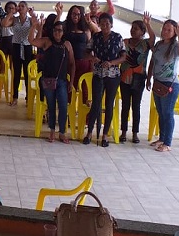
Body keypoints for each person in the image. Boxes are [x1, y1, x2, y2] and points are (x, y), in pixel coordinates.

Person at [29, 18, 75, 143]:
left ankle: (62, 132)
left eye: (60, 30)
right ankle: (52, 131)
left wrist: (71, 83)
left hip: (62, 81)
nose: (57, 33)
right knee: (51, 106)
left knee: (63, 106)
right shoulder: (47, 42)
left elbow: (72, 64)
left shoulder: (67, 45)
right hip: (48, 79)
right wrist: (33, 26)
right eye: (55, 30)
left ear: (63, 32)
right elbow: (31, 41)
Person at [82, 13, 125, 147]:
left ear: (111, 24)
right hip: (98, 74)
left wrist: (112, 62)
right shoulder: (96, 37)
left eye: (107, 23)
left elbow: (123, 56)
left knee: (109, 104)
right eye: (102, 23)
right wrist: (92, 58)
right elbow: (86, 53)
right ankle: (89, 133)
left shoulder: (118, 37)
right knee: (95, 104)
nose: (105, 26)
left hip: (113, 76)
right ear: (99, 24)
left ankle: (105, 134)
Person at [146, 20, 179, 152]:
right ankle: (162, 138)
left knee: (168, 113)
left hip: (170, 84)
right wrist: (149, 77)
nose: (165, 32)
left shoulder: (175, 45)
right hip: (158, 82)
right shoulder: (159, 44)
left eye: (169, 30)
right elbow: (153, 61)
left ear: (174, 32)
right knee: (161, 112)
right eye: (164, 29)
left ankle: (167, 142)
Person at [118, 13, 155, 144]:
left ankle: (135, 133)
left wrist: (148, 24)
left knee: (136, 106)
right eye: (132, 28)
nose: (133, 30)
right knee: (125, 105)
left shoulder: (145, 44)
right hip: (124, 78)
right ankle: (123, 132)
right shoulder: (124, 42)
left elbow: (153, 38)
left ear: (142, 32)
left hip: (139, 78)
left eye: (136, 28)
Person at [10, 1, 33, 105]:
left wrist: (34, 17)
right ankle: (15, 97)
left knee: (27, 73)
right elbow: (4, 24)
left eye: (22, 6)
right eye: (19, 6)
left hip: (27, 46)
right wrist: (11, 12)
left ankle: (28, 97)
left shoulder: (30, 20)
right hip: (16, 46)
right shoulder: (14, 19)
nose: (20, 8)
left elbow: (37, 28)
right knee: (17, 73)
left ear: (27, 9)